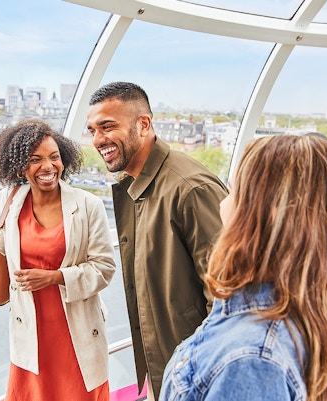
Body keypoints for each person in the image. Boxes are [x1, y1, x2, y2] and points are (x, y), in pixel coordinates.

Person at [0, 119, 116, 401]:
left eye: (54, 157)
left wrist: (56, 277)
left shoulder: (88, 206)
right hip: (30, 329)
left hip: (75, 331)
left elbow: (104, 267)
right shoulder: (9, 201)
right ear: (20, 166)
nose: (48, 166)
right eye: (35, 159)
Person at [159, 134, 327, 400]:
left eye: (234, 192)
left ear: (265, 212)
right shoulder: (308, 309)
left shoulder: (250, 359)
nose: (222, 203)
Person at [87, 81, 228, 399]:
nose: (98, 140)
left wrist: (196, 369)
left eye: (107, 127)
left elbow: (226, 296)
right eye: (93, 130)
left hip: (193, 374)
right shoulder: (136, 187)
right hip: (164, 368)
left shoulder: (190, 188)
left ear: (144, 124)